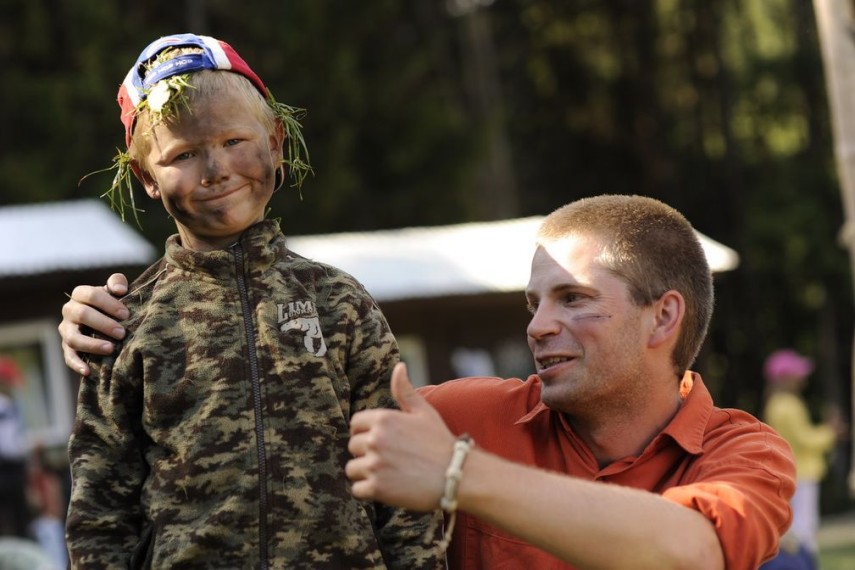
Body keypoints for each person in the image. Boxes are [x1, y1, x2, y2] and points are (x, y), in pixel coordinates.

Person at [59, 195, 797, 568]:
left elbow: (689, 552)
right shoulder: (456, 413)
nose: (539, 326)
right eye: (533, 304)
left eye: (573, 299)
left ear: (663, 316)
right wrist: (131, 329)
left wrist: (457, 476)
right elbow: (253, 423)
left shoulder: (743, 451)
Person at [63, 33, 441, 570]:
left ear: (276, 142)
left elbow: (404, 481)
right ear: (146, 176)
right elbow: (99, 512)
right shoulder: (125, 324)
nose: (215, 169)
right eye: (184, 154)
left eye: (234, 140)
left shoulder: (339, 302)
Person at [761, 348, 846, 568]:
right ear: (785, 378)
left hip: (790, 472)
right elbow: (804, 440)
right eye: (797, 374)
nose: (802, 379)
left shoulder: (776, 404)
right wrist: (831, 432)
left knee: (795, 527)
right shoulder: (788, 405)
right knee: (804, 529)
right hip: (802, 473)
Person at [0, 357, 31, 540]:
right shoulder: (4, 406)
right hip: (7, 471)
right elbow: (9, 445)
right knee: (17, 523)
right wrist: (25, 449)